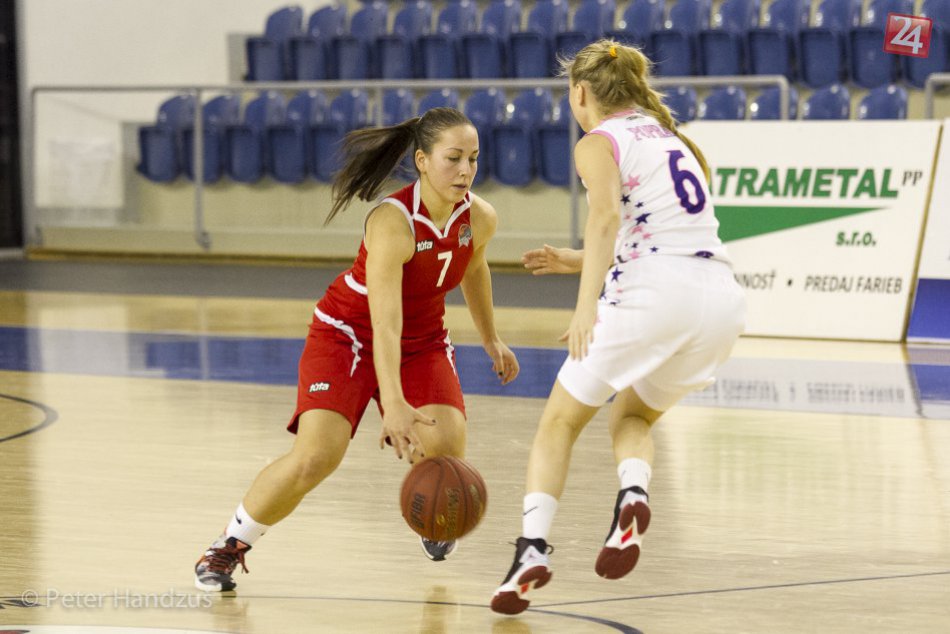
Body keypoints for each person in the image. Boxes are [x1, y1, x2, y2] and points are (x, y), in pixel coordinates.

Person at [194, 107, 520, 592]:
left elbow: (474, 270)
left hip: (423, 339)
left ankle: (431, 515)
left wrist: (491, 337)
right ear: (423, 161)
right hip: (348, 333)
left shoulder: (479, 217)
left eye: (473, 158)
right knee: (315, 457)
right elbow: (384, 323)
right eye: (453, 158)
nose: (466, 170)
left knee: (446, 453)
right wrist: (393, 404)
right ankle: (228, 546)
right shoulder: (393, 222)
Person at [490, 40, 747, 615]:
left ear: (581, 93)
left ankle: (531, 549)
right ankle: (632, 495)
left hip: (653, 296)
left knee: (557, 423)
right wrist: (581, 258)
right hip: (720, 301)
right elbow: (659, 232)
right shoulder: (674, 139)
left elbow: (606, 217)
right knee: (631, 414)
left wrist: (586, 307)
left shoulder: (597, 142)